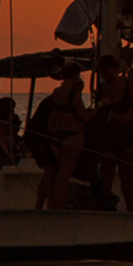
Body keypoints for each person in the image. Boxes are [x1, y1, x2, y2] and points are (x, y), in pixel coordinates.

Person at [92, 54, 133, 211]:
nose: (106, 76)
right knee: (107, 172)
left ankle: (130, 208)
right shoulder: (101, 88)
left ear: (115, 70)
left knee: (126, 174)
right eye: (102, 73)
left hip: (127, 135)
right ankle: (106, 206)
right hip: (108, 134)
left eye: (108, 72)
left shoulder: (130, 85)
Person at [46, 61, 94, 209]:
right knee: (64, 176)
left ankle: (52, 204)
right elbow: (85, 118)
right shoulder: (73, 93)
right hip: (72, 135)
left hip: (56, 136)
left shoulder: (56, 92)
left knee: (59, 174)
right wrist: (99, 107)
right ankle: (59, 205)